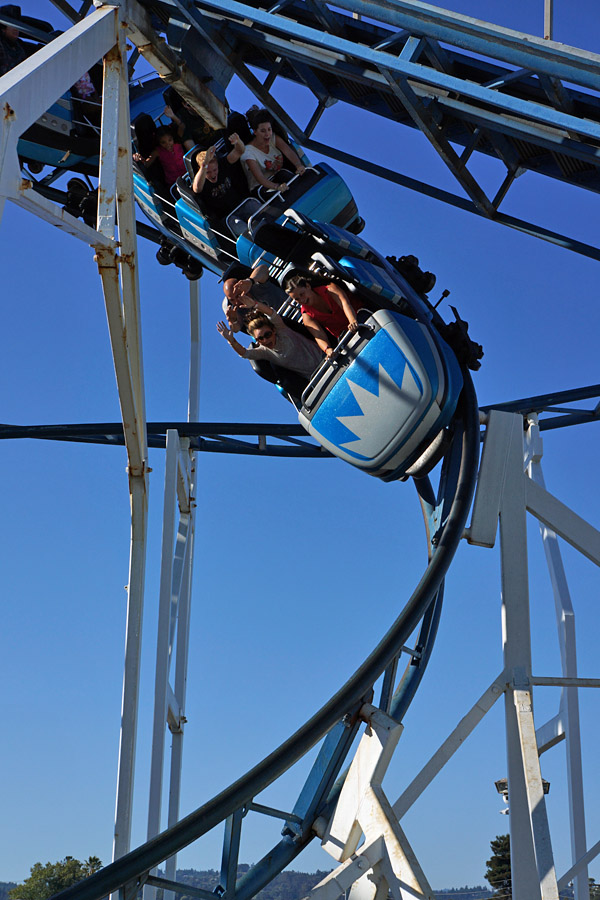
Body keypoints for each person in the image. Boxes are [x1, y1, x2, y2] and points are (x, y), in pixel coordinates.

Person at [217, 294, 324, 385]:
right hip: (316, 378)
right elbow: (245, 353)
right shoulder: (265, 352)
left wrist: (255, 304)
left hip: (326, 358)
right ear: (258, 340)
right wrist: (231, 341)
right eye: (261, 338)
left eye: (267, 334)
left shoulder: (281, 329)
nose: (266, 340)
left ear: (273, 330)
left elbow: (271, 313)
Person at [283, 272, 361, 356]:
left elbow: (344, 303)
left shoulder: (329, 289)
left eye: (302, 294)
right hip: (347, 336)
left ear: (308, 286)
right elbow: (318, 335)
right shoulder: (306, 315)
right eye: (297, 299)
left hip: (361, 316)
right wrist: (327, 349)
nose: (302, 300)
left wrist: (352, 321)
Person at [241, 109, 306, 194]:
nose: (267, 134)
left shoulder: (272, 138)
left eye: (269, 129)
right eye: (263, 131)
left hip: (277, 176)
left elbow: (288, 151)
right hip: (261, 186)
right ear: (255, 131)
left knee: (285, 175)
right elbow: (260, 178)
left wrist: (298, 165)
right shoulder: (248, 152)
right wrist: (277, 187)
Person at [192, 134, 245, 222]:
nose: (213, 174)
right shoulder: (200, 180)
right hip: (227, 217)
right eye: (208, 172)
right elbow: (197, 189)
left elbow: (239, 151)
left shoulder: (223, 165)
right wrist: (204, 166)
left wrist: (238, 142)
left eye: (215, 170)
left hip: (240, 205)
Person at [221, 262, 287, 333]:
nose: (236, 301)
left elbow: (263, 269)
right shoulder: (239, 309)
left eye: (237, 295)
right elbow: (236, 329)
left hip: (291, 307)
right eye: (232, 300)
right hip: (281, 329)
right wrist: (233, 321)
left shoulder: (256, 286)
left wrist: (250, 281)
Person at [0, 4, 26, 75]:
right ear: (3, 28)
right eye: (11, 25)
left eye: (17, 25)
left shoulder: (20, 47)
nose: (15, 29)